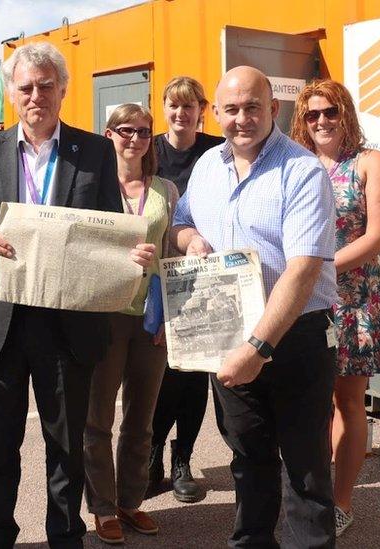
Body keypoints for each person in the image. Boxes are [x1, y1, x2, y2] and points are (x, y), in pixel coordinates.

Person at [0, 42, 153, 548]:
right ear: (12, 94)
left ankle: (65, 535)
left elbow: (112, 231)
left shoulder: (95, 151)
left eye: (46, 85)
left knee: (64, 446)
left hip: (68, 325)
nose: (36, 95)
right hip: (1, 319)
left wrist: (133, 257)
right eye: (26, 87)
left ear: (62, 90)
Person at [170, 66, 339, 548]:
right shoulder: (206, 167)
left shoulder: (302, 170)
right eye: (231, 109)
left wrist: (258, 346)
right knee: (248, 459)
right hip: (227, 330)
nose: (241, 118)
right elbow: (181, 223)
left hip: (295, 336)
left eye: (252, 107)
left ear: (274, 109)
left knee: (305, 469)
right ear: (215, 112)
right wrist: (191, 239)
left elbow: (303, 270)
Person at [290, 79, 380, 538]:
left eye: (330, 112)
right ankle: (306, 498)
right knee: (304, 403)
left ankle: (341, 502)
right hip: (301, 299)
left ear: (346, 113)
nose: (322, 121)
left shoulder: (370, 163)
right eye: (312, 115)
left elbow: (377, 238)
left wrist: (321, 269)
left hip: (354, 301)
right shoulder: (297, 163)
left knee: (348, 403)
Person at [83, 103, 178, 544]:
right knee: (97, 419)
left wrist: (170, 312)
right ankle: (103, 509)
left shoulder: (166, 190)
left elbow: (173, 251)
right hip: (103, 315)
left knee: (142, 419)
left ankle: (130, 502)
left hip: (150, 315)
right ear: (109, 134)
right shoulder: (92, 186)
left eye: (143, 132)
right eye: (126, 130)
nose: (135, 139)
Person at [149, 76, 224, 502]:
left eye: (189, 106)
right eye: (173, 106)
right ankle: (152, 454)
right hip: (155, 276)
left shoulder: (216, 150)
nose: (181, 114)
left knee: (193, 374)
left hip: (201, 275)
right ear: (164, 108)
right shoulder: (150, 148)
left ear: (202, 109)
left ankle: (183, 460)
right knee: (158, 373)